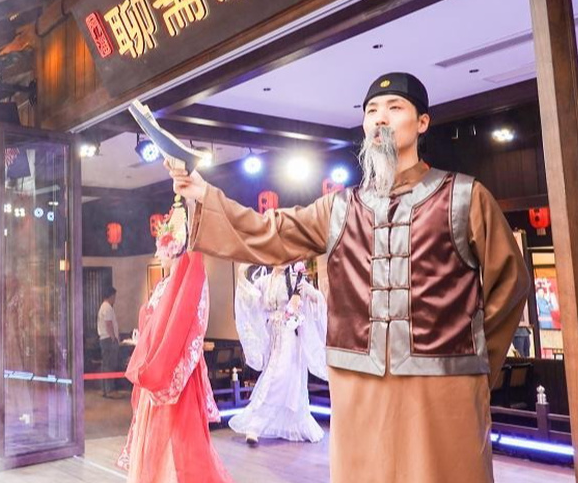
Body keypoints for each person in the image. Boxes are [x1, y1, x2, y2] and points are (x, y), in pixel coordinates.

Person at [168, 72, 529, 483]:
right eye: (371, 111)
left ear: (422, 122)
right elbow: (271, 232)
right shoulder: (340, 208)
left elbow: (510, 283)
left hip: (441, 388)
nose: (380, 118)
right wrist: (204, 194)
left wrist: (474, 366)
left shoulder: (464, 196)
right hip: (359, 386)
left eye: (394, 108)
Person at [116, 203, 232, 483]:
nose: (159, 255)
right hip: (156, 364)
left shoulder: (188, 281)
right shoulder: (163, 286)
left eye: (161, 247)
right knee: (157, 436)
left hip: (174, 368)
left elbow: (184, 325)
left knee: (181, 437)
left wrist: (164, 363)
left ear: (172, 248)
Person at [230, 261, 327, 445]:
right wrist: (241, 274)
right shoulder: (265, 281)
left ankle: (255, 425)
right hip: (273, 337)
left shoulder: (295, 279)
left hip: (290, 337)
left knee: (279, 377)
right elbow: (250, 301)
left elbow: (316, 300)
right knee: (275, 376)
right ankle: (277, 424)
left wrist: (309, 292)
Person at [97, 286, 121, 397]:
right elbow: (109, 324)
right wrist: (113, 338)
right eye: (114, 296)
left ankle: (104, 389)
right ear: (111, 296)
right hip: (108, 339)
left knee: (105, 365)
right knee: (110, 365)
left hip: (104, 339)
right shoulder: (107, 308)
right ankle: (110, 390)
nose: (115, 299)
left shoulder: (103, 307)